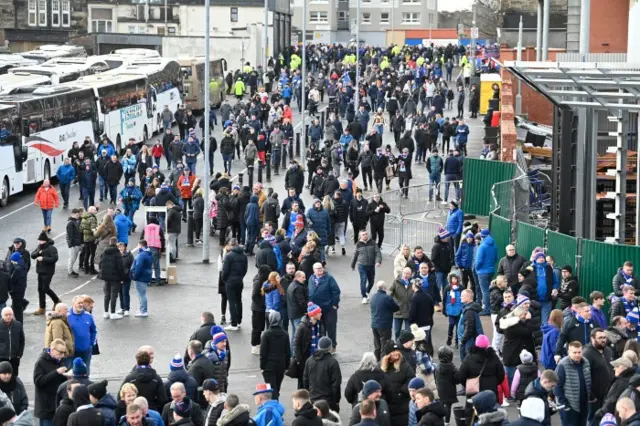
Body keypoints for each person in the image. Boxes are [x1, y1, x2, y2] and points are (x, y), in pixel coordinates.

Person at [34, 339, 69, 426]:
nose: (63, 355)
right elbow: (39, 382)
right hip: (46, 406)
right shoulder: (40, 362)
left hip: (58, 404)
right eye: (60, 352)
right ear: (53, 350)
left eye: (64, 352)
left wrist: (67, 376)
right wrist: (56, 372)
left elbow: (61, 380)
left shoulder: (60, 360)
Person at [582, 328, 613, 423]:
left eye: (604, 337)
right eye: (600, 338)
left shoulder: (608, 351)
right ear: (592, 339)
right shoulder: (587, 353)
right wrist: (591, 396)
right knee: (593, 420)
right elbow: (585, 377)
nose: (603, 340)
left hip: (608, 394)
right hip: (595, 397)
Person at [290, 303, 324, 389]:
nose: (321, 314)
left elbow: (322, 339)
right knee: (303, 383)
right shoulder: (302, 327)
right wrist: (298, 359)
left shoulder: (320, 325)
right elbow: (296, 343)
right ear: (314, 314)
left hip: (317, 358)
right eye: (319, 312)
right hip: (305, 360)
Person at [308, 263, 340, 352]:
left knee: (331, 328)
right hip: (317, 310)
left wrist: (334, 304)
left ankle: (332, 346)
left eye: (321, 268)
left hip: (329, 309)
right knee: (321, 329)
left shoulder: (329, 278)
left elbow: (336, 291)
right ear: (313, 270)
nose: (320, 270)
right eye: (317, 269)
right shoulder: (311, 278)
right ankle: (322, 347)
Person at [303, 336, 341, 412]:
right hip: (328, 401)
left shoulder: (309, 360)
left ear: (318, 346)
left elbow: (305, 380)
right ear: (330, 348)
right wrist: (336, 400)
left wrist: (309, 395)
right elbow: (336, 384)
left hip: (313, 399)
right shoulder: (333, 362)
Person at [260, 311, 290, 401]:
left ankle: (275, 406)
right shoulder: (285, 334)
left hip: (269, 366)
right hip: (281, 365)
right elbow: (288, 351)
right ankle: (276, 403)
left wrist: (262, 366)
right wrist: (287, 366)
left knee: (272, 390)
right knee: (277, 388)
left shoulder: (266, 334)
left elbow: (263, 352)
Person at [31, 231, 61, 315]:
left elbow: (54, 259)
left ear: (45, 241)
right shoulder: (39, 247)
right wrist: (38, 253)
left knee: (45, 288)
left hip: (48, 271)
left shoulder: (52, 248)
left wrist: (43, 258)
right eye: (39, 241)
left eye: (41, 241)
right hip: (40, 270)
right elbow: (32, 255)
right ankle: (42, 307)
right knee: (40, 289)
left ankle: (57, 301)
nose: (40, 242)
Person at [221, 239, 248, 331]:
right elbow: (245, 269)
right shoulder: (244, 256)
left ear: (230, 245)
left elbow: (225, 271)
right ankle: (239, 321)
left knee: (232, 302)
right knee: (239, 301)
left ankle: (234, 323)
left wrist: (224, 279)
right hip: (239, 281)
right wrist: (240, 277)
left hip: (230, 282)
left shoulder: (228, 256)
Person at [369, 281, 399, 361]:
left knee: (377, 345)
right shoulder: (387, 298)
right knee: (384, 345)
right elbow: (396, 308)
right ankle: (383, 364)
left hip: (374, 324)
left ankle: (376, 361)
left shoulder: (373, 297)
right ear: (385, 288)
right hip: (384, 325)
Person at [67, 295, 97, 373]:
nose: (81, 305)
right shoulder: (67, 316)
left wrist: (91, 343)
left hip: (86, 350)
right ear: (73, 303)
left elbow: (93, 330)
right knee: (72, 372)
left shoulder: (88, 316)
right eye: (79, 303)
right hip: (72, 351)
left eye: (82, 303)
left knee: (86, 372)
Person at [98, 237, 126, 320]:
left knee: (107, 295)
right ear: (116, 243)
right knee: (114, 295)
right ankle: (113, 313)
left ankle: (105, 312)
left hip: (106, 277)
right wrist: (122, 278)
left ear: (110, 242)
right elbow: (120, 267)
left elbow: (100, 264)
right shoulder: (117, 253)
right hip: (115, 277)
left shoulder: (104, 252)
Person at [351, 230, 382, 304]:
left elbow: (378, 252)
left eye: (366, 234)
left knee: (371, 281)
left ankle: (367, 292)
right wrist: (353, 265)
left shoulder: (373, 242)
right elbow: (355, 255)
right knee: (363, 280)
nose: (365, 236)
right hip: (362, 265)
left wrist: (378, 261)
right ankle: (364, 296)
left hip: (371, 265)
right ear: (360, 236)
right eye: (363, 235)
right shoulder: (358, 244)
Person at [186, 340, 216, 408]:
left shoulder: (195, 367)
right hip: (209, 397)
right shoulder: (207, 360)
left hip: (201, 402)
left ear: (190, 351)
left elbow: (192, 387)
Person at [474, 229, 497, 316]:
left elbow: (479, 260)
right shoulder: (494, 245)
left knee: (485, 291)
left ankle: (487, 309)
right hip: (491, 270)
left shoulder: (482, 246)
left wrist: (477, 268)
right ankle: (489, 307)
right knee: (489, 290)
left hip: (482, 271)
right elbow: (495, 258)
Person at [457, 289, 483, 359]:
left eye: (462, 296)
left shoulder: (469, 311)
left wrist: (462, 341)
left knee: (466, 362)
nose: (460, 297)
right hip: (468, 340)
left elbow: (469, 328)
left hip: (469, 341)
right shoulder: (469, 308)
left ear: (468, 297)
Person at [131, 240, 154, 318]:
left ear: (141, 246)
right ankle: (142, 309)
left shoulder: (141, 255)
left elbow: (138, 267)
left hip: (140, 277)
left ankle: (143, 311)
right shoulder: (148, 253)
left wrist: (135, 276)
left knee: (141, 295)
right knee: (141, 294)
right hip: (146, 275)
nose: (137, 247)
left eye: (138, 246)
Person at [66, 209, 83, 279]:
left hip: (76, 243)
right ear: (73, 214)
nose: (78, 216)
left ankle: (71, 271)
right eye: (77, 215)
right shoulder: (71, 223)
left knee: (74, 258)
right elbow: (70, 235)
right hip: (73, 244)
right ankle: (70, 272)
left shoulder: (74, 221)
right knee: (72, 258)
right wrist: (71, 244)